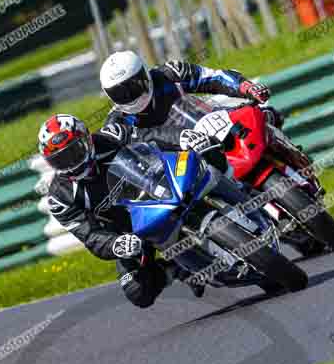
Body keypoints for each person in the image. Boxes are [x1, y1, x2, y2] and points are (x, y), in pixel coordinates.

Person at [38, 113, 225, 308]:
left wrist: (181, 138)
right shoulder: (60, 198)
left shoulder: (110, 137)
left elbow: (151, 135)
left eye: (74, 152)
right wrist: (115, 244)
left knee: (208, 164)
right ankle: (175, 269)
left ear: (86, 140)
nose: (71, 163)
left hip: (160, 189)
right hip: (130, 232)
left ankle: (241, 193)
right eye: (61, 160)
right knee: (137, 292)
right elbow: (89, 234)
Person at [99, 50, 283, 130]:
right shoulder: (116, 123)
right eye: (120, 94)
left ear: (144, 75)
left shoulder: (169, 74)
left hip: (210, 122)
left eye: (132, 87)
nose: (129, 97)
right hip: (182, 164)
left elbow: (214, 78)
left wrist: (246, 87)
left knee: (267, 116)